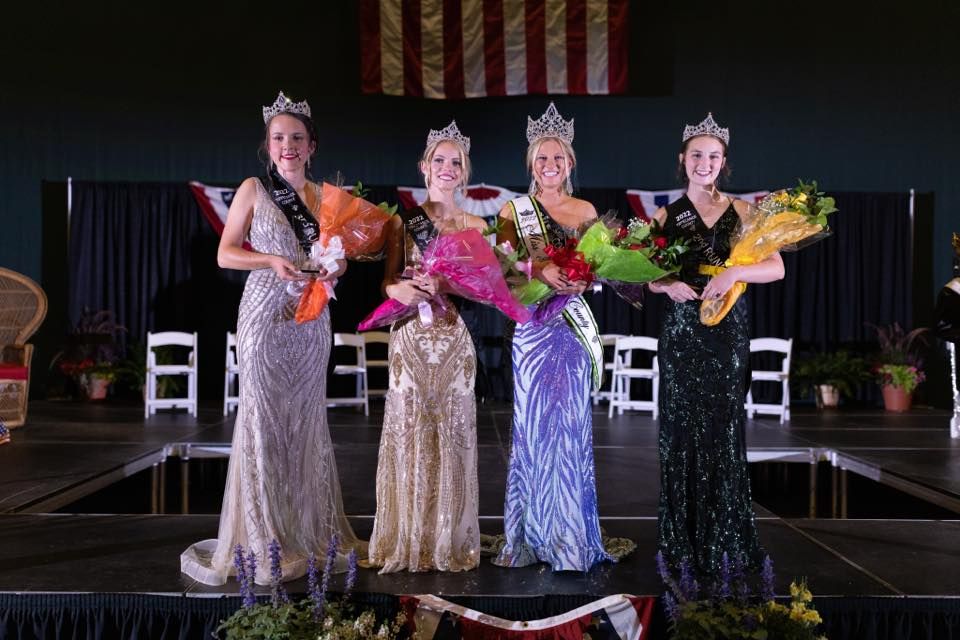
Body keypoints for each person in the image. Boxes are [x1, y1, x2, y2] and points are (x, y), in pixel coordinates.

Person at [181, 92, 363, 585]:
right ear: (268, 145)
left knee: (304, 420)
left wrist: (337, 264)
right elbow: (225, 253)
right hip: (265, 312)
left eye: (297, 138)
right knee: (262, 418)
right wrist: (269, 260)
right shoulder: (252, 189)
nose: (288, 145)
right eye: (279, 138)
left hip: (310, 317)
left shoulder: (327, 198)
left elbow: (335, 256)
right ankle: (263, 536)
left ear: (312, 146)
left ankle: (304, 528)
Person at [648, 113, 785, 576]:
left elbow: (776, 268)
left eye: (713, 156)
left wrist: (735, 271)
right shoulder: (667, 215)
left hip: (725, 329)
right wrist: (666, 286)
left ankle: (724, 532)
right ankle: (682, 536)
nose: (703, 163)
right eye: (696, 156)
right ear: (682, 161)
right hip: (682, 330)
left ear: (723, 163)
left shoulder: (744, 212)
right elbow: (646, 276)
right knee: (680, 430)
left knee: (723, 428)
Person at [493, 103, 614, 572]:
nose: (550, 166)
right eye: (542, 159)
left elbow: (601, 267)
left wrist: (586, 279)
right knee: (532, 428)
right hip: (533, 330)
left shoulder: (584, 210)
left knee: (570, 428)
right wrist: (537, 268)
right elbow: (499, 271)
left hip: (571, 329)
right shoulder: (512, 211)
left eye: (558, 159)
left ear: (570, 163)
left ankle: (569, 532)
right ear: (531, 164)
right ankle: (530, 533)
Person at [365, 121, 486, 573]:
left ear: (465, 171)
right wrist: (394, 291)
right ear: (424, 167)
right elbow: (386, 280)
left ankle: (445, 538)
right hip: (411, 337)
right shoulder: (402, 220)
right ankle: (409, 536)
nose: (447, 168)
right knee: (410, 433)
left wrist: (447, 281)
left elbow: (484, 290)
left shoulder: (476, 224)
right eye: (440, 160)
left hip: (453, 338)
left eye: (456, 162)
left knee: (451, 437)